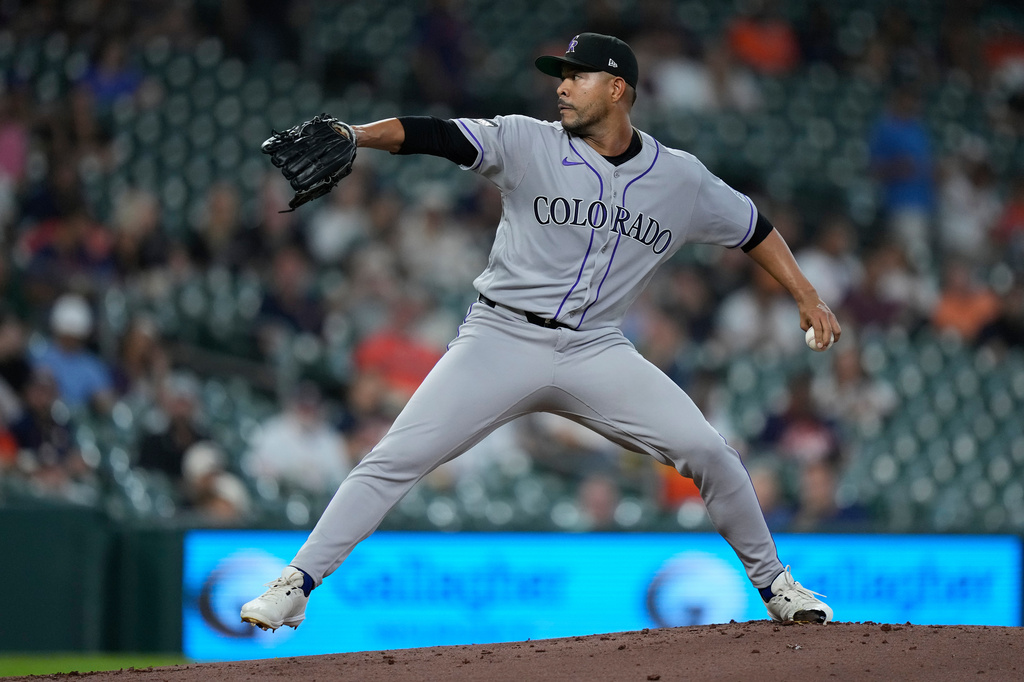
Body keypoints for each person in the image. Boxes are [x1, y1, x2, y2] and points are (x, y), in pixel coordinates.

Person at [241, 33, 840, 632]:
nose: (561, 86)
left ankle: (776, 586)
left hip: (596, 348)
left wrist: (806, 295)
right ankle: (298, 582)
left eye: (576, 76)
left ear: (617, 88)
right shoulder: (527, 141)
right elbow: (436, 134)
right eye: (561, 75)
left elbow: (753, 227)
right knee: (394, 456)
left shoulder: (680, 179)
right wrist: (359, 135)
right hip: (499, 337)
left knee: (711, 451)